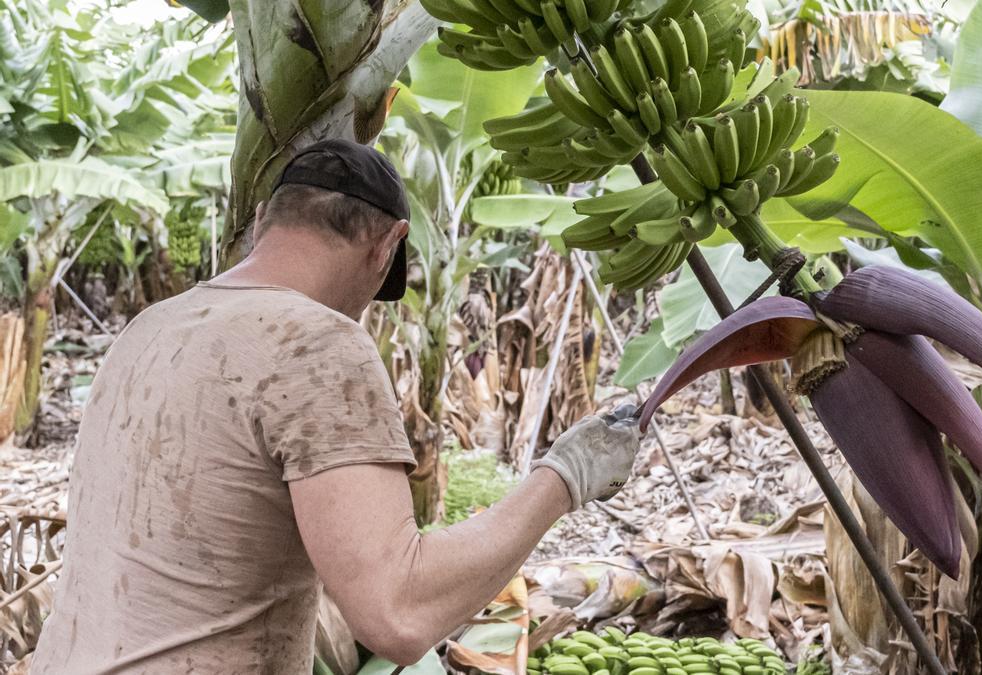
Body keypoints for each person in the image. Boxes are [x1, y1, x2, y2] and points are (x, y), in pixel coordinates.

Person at [31, 140, 642, 674]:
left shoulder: (152, 326)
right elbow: (397, 612)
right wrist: (566, 476)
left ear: (265, 218)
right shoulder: (317, 341)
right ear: (387, 245)